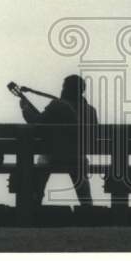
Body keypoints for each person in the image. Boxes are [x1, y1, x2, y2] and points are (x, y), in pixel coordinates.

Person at [19, 75, 98, 207]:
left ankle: (35, 202)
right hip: (78, 157)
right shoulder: (90, 110)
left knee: (42, 163)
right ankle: (87, 207)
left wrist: (25, 109)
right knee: (80, 166)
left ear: (66, 89)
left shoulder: (56, 106)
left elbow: (37, 125)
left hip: (53, 156)